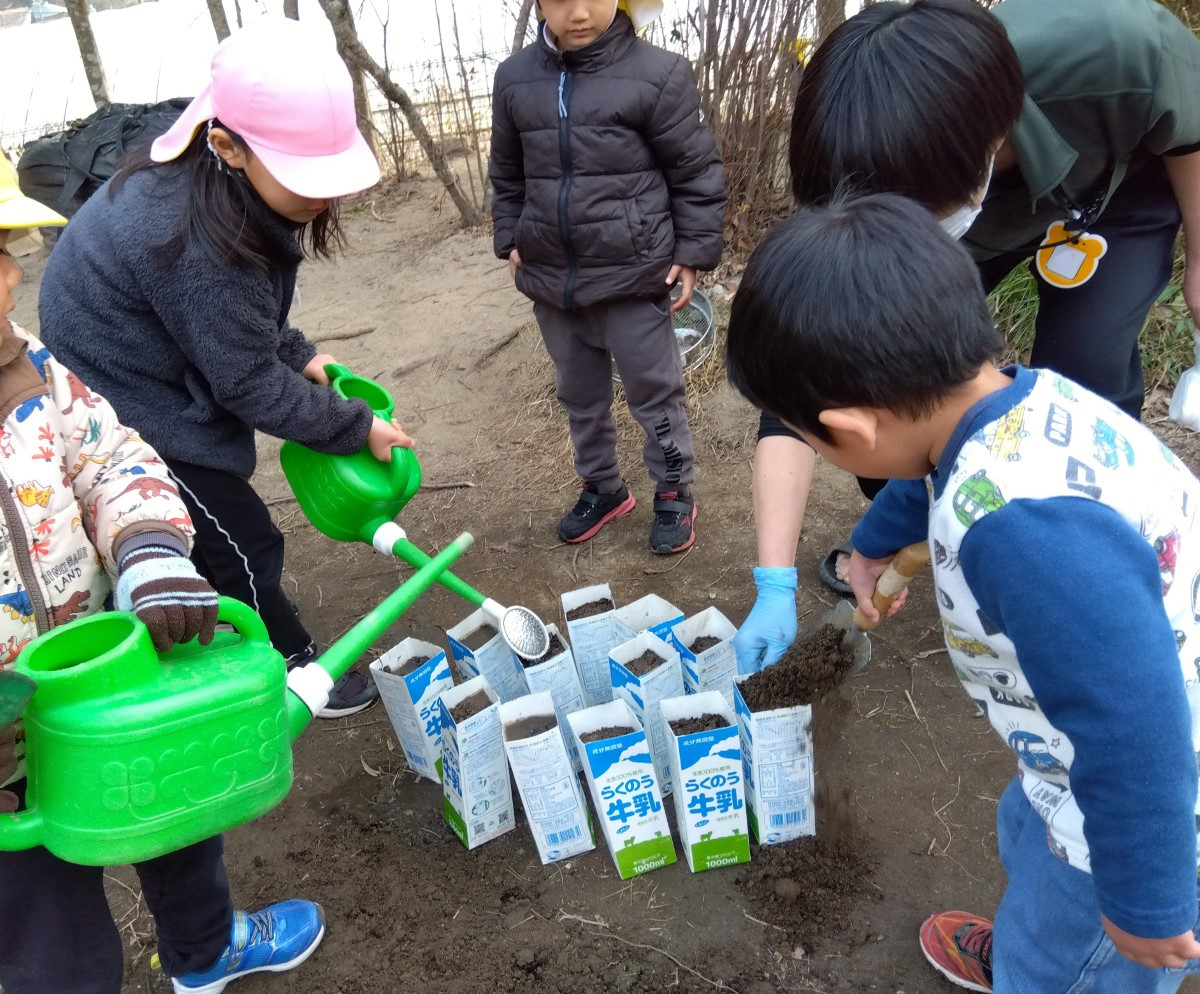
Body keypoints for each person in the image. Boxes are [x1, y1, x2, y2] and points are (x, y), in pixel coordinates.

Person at [727, 191, 1200, 993]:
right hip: (1076, 754)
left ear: (853, 431)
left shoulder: (1030, 540)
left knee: (1073, 959)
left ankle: (1047, 963)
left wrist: (1144, 896)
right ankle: (1034, 936)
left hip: (1150, 798)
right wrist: (873, 546)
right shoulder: (1015, 399)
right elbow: (937, 471)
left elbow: (1135, 723)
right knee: (1027, 831)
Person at [733, 0, 1200, 672]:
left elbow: (1189, 128)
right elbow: (813, 377)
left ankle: (1076, 587)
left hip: (1119, 193)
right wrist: (784, 577)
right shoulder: (859, 175)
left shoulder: (1115, 49)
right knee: (917, 410)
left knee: (1088, 370)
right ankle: (949, 531)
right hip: (968, 210)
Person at [0, 160, 325, 994]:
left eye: (2, 255)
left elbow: (111, 457)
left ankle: (206, 953)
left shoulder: (30, 369)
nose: (7, 278)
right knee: (51, 945)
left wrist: (148, 549)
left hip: (111, 674)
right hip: (3, 762)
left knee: (177, 816)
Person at [37, 19, 412, 717]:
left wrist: (301, 354)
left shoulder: (217, 188)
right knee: (238, 540)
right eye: (307, 177)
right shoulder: (192, 237)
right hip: (122, 396)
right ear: (227, 145)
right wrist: (354, 426)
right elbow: (244, 380)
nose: (324, 197)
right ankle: (290, 668)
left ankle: (214, 641)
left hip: (150, 349)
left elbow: (238, 320)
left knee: (215, 534)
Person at [489, 0, 726, 554]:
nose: (578, 12)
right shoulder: (514, 79)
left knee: (654, 391)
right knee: (579, 393)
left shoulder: (658, 72)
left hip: (634, 274)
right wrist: (511, 236)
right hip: (553, 277)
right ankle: (603, 486)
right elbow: (507, 173)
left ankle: (673, 489)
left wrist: (692, 252)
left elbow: (694, 171)